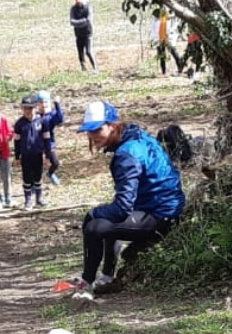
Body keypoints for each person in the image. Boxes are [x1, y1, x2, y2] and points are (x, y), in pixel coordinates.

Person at [68, 101, 186, 300]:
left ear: (112, 125)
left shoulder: (126, 155)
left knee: (94, 225)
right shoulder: (136, 135)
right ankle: (106, 277)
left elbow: (122, 208)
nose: (92, 135)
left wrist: (93, 213)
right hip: (164, 205)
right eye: (89, 131)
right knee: (106, 219)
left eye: (97, 129)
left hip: (161, 214)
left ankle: (87, 283)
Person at [13, 95, 49, 211]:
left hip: (38, 154)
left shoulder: (42, 121)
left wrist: (47, 155)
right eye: (25, 108)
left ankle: (39, 198)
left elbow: (47, 139)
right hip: (26, 155)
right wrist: (17, 156)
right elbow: (17, 141)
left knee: (38, 176)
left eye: (30, 108)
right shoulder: (19, 123)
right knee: (27, 178)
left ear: (35, 108)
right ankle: (28, 200)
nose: (28, 111)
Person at [35, 89, 64, 185]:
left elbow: (60, 119)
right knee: (37, 165)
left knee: (55, 163)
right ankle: (36, 184)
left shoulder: (51, 115)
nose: (43, 104)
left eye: (45, 102)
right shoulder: (35, 116)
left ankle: (50, 173)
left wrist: (57, 104)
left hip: (49, 144)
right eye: (41, 102)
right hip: (37, 144)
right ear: (37, 104)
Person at [69, 0, 96, 71]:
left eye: (80, 1)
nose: (79, 3)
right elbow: (71, 21)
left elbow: (89, 20)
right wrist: (83, 21)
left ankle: (95, 68)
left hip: (88, 33)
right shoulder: (73, 9)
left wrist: (78, 23)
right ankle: (83, 69)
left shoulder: (88, 7)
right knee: (80, 53)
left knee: (88, 51)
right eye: (77, 2)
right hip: (78, 34)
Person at [155, 8, 184, 76]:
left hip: (167, 38)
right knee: (162, 56)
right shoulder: (158, 19)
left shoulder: (168, 17)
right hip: (160, 39)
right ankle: (164, 72)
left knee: (174, 53)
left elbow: (173, 19)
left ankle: (180, 69)